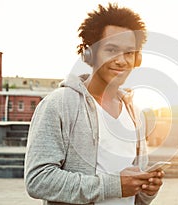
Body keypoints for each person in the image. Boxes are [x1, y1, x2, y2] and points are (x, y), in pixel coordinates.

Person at [24, 3, 164, 205]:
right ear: (89, 54)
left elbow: (134, 195)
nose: (121, 61)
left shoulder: (135, 114)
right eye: (111, 49)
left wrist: (146, 189)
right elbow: (38, 180)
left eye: (129, 53)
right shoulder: (58, 104)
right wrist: (113, 186)